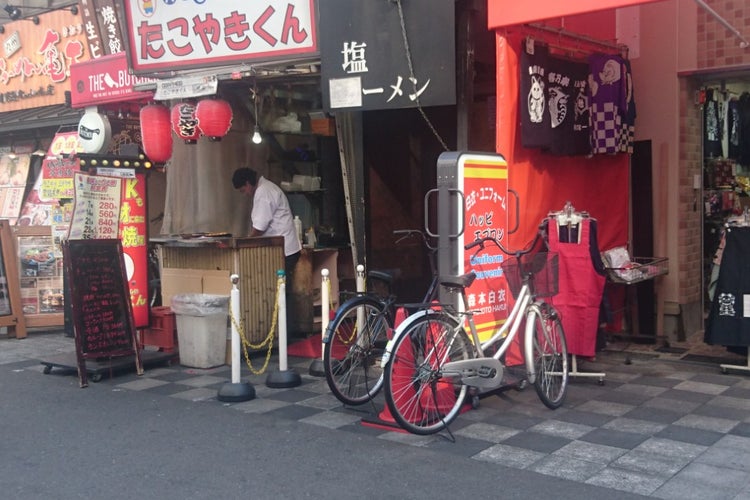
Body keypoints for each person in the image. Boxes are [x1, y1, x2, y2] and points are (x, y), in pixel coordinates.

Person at [232, 167, 301, 280]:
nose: (245, 194)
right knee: (282, 287)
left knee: (281, 288)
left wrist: (246, 242)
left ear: (248, 183)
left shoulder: (263, 192)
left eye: (243, 190)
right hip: (286, 248)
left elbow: (260, 226)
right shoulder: (267, 187)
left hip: (284, 250)